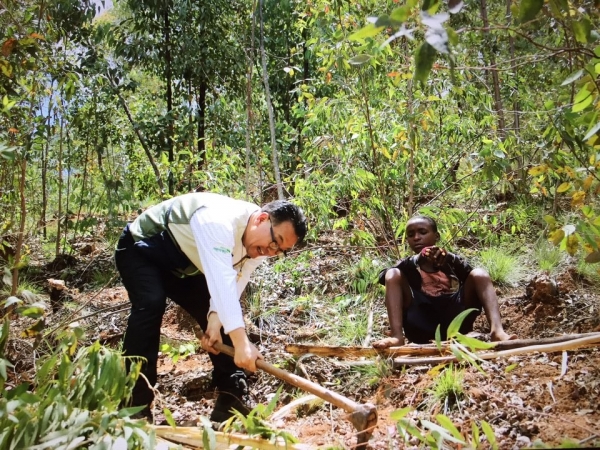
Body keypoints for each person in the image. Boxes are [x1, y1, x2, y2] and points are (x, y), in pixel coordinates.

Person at [114, 192, 307, 422]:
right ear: (262, 219)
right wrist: (241, 343)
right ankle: (134, 404)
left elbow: (235, 282)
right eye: (275, 242)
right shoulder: (218, 221)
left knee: (226, 318)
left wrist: (214, 321)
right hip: (143, 249)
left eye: (280, 251)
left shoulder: (261, 244)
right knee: (150, 304)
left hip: (187, 265)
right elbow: (221, 281)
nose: (272, 252)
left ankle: (230, 398)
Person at [373, 215, 515, 348]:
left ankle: (497, 331)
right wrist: (415, 260)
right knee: (392, 273)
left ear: (436, 236)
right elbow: (383, 277)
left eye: (422, 232)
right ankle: (397, 336)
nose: (416, 237)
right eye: (411, 235)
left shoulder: (451, 261)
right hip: (421, 324)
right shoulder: (408, 265)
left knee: (480, 274)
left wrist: (450, 258)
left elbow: (475, 278)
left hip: (456, 322)